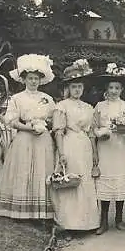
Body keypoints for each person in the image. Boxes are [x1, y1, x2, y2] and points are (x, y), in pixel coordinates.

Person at [0, 54, 56, 220]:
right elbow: (11, 121)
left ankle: (40, 212)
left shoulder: (47, 99)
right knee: (24, 169)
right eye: (30, 78)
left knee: (41, 169)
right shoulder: (17, 98)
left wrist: (44, 125)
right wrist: (29, 127)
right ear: (24, 79)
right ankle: (21, 210)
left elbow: (53, 119)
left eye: (36, 79)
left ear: (41, 80)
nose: (33, 81)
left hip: (43, 139)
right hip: (25, 138)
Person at [50, 59, 100, 237]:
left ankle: (87, 223)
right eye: (73, 87)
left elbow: (92, 133)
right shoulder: (61, 106)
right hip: (69, 144)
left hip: (84, 146)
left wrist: (95, 154)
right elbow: (58, 131)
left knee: (85, 182)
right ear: (68, 89)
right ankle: (68, 224)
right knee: (69, 182)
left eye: (79, 86)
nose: (77, 90)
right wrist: (62, 153)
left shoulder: (89, 108)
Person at [93, 63, 125, 235]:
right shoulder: (99, 106)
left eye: (117, 88)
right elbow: (95, 128)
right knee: (106, 181)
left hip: (122, 148)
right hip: (106, 147)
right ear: (107, 88)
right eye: (111, 87)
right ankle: (103, 220)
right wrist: (101, 134)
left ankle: (119, 218)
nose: (114, 91)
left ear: (121, 90)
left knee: (120, 182)